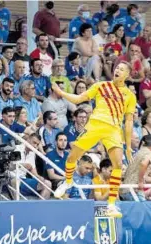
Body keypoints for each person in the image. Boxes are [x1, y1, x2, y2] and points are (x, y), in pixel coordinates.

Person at [52, 61, 136, 218]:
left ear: (127, 75)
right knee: (72, 157)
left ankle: (111, 205)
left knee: (117, 164)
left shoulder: (130, 96)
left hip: (113, 130)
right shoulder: (101, 86)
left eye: (122, 69)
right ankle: (68, 181)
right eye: (117, 67)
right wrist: (61, 93)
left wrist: (129, 146)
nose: (118, 70)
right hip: (94, 126)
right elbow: (78, 99)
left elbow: (129, 121)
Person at [11, 133, 51, 199]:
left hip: (24, 180)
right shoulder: (17, 149)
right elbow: (11, 167)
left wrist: (39, 177)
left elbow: (33, 172)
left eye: (37, 144)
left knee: (47, 183)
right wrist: (23, 165)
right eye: (34, 142)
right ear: (28, 139)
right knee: (14, 181)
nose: (35, 146)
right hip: (13, 179)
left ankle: (40, 208)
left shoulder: (32, 153)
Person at [121, 134, 151, 201]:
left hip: (126, 190)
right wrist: (140, 182)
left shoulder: (139, 152)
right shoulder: (149, 153)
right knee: (141, 210)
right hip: (132, 190)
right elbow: (143, 164)